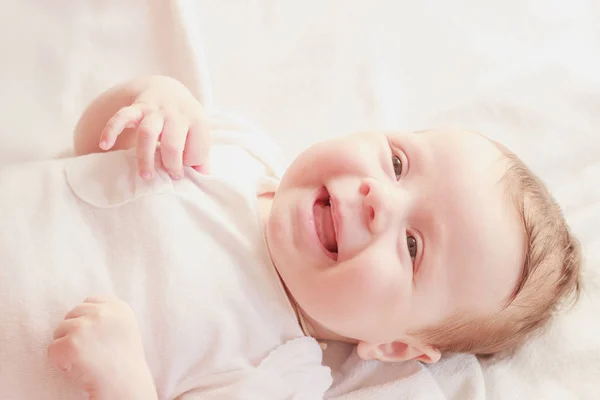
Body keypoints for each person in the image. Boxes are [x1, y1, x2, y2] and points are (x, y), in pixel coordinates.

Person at [0, 76, 581, 399]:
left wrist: (122, 381)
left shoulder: (280, 373)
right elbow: (89, 147)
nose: (381, 198)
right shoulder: (231, 148)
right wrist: (151, 99)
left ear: (396, 347)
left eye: (412, 247)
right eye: (399, 164)